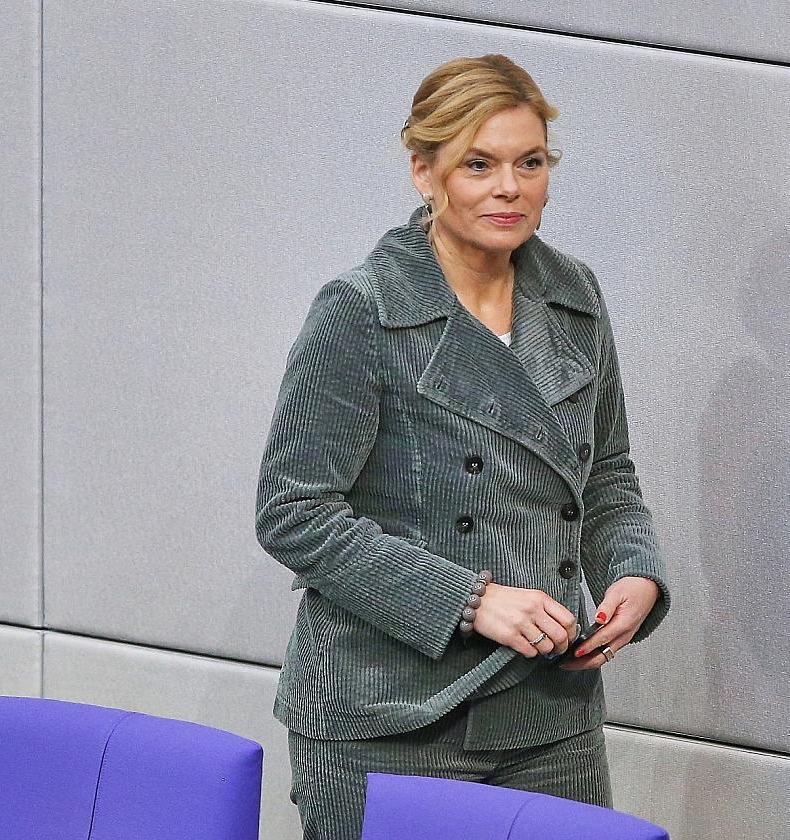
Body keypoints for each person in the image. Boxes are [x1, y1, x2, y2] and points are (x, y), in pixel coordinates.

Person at [254, 54, 670, 839]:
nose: (509, 187)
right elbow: (294, 513)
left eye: (530, 163)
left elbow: (607, 474)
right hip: (389, 716)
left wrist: (633, 573)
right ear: (425, 172)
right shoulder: (362, 309)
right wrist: (472, 601)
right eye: (479, 164)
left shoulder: (575, 297)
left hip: (549, 711)